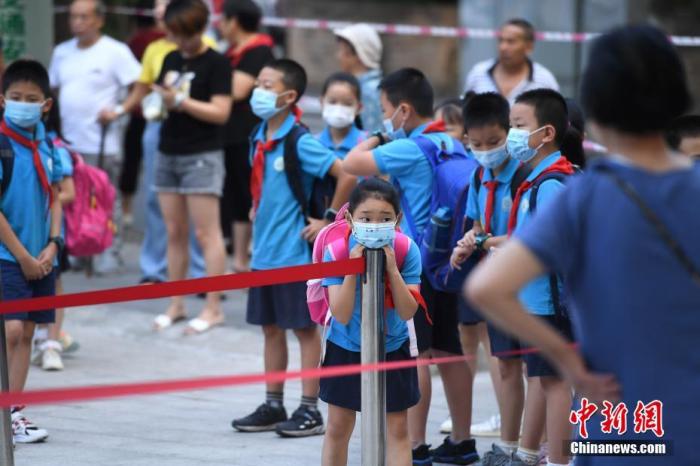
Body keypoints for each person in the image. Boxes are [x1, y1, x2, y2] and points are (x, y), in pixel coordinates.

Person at [468, 24, 698, 466]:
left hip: (614, 414)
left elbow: (487, 288)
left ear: (596, 109)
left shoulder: (584, 197)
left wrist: (567, 362)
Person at [343, 68, 478, 466]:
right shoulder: (449, 141)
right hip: (449, 261)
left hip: (417, 264)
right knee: (450, 351)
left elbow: (353, 162)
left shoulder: (410, 146)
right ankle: (462, 440)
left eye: (385, 110)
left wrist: (381, 136)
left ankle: (415, 444)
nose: (383, 118)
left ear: (403, 109)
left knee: (416, 353)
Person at [231, 58, 356, 438]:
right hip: (264, 253)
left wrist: (329, 219)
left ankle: (309, 408)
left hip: (293, 255)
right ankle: (273, 402)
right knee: (270, 328)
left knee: (303, 330)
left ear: (288, 96)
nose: (258, 91)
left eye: (267, 86)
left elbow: (346, 171)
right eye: (258, 83)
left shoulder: (298, 140)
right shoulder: (259, 134)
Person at [469, 88, 581, 466]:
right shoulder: (536, 179)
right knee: (545, 379)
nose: (513, 133)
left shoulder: (550, 184)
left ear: (546, 133)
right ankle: (529, 452)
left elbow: (552, 247)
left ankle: (559, 460)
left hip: (551, 301)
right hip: (535, 301)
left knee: (555, 383)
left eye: (518, 126)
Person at [99, 0, 212, 286]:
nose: (160, 13)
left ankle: (201, 272)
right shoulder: (155, 49)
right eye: (159, 8)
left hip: (197, 132)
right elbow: (141, 88)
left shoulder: (208, 46)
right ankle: (155, 268)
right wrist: (121, 111)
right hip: (159, 127)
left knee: (199, 204)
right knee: (156, 199)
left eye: (167, 6)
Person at [321, 178, 421, 466]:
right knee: (339, 426)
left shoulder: (406, 250)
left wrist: (392, 269)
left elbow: (407, 310)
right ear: (351, 218)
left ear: (397, 219)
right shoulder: (337, 251)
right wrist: (352, 269)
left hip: (393, 345)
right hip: (345, 346)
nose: (375, 225)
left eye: (384, 218)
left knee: (398, 428)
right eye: (366, 218)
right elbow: (340, 313)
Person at [448, 93, 525, 450]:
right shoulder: (480, 175)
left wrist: (481, 243)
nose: (486, 150)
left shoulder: (526, 174)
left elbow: (532, 234)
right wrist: (469, 241)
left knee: (543, 373)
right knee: (506, 366)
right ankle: (509, 446)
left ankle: (541, 445)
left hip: (533, 286)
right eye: (476, 144)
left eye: (493, 142)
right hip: (499, 288)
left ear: (510, 131)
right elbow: (480, 227)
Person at [150, 0, 232, 334]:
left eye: (186, 34)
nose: (181, 42)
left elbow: (220, 112)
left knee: (206, 233)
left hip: (202, 154)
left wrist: (181, 101)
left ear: (200, 28)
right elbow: (162, 98)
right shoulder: (170, 58)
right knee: (174, 231)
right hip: (168, 150)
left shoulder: (217, 62)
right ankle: (176, 303)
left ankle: (213, 307)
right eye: (175, 34)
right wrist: (157, 103)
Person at [49, 0, 141, 273]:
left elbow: (141, 84)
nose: (77, 22)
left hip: (102, 140)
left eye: (84, 17)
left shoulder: (116, 51)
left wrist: (120, 110)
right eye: (73, 16)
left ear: (99, 20)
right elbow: (54, 89)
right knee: (72, 197)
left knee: (104, 196)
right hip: (68, 142)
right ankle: (78, 246)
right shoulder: (62, 52)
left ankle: (109, 250)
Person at [0, 59, 64, 443]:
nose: (23, 103)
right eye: (15, 97)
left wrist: (53, 245)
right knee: (9, 332)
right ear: (2, 100)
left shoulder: (47, 143)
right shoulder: (3, 143)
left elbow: (55, 196)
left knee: (26, 333)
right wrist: (22, 255)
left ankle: (14, 414)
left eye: (31, 98)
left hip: (42, 255)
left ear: (46, 104)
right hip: (8, 256)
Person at [218, 0, 275, 273]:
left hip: (247, 134)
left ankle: (246, 259)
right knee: (233, 195)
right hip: (229, 135)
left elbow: (237, 90)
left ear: (235, 21)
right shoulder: (232, 52)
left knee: (246, 195)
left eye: (223, 19)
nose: (219, 24)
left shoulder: (259, 50)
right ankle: (239, 258)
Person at [32, 97, 77, 372]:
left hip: (52, 234)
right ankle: (37, 338)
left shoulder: (54, 147)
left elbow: (68, 192)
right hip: (21, 237)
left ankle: (52, 343)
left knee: (54, 286)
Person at [118, 1, 166, 227]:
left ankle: (127, 208)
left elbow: (134, 86)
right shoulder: (153, 44)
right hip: (148, 113)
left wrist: (124, 106)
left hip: (145, 114)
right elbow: (138, 84)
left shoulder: (138, 41)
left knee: (133, 160)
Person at [464, 19, 558, 105]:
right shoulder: (478, 73)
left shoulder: (544, 80)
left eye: (511, 42)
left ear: (529, 47)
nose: (503, 47)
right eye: (500, 40)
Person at [334, 23, 384, 133]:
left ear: (359, 56)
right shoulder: (365, 87)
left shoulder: (368, 91)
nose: (339, 56)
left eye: (343, 51)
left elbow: (372, 136)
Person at [317, 72, 366, 159]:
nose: (338, 108)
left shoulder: (367, 144)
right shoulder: (313, 144)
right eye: (332, 102)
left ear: (359, 108)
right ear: (321, 103)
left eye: (347, 104)